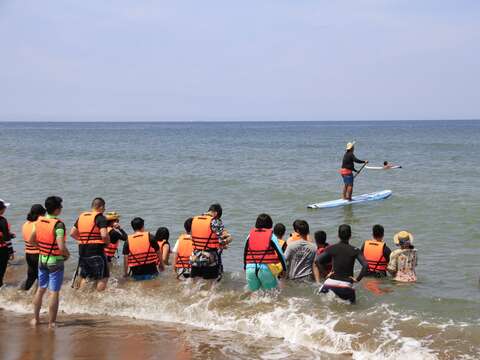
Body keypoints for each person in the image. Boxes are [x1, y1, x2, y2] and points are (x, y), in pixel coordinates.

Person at [30, 196, 70, 328]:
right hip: (55, 261)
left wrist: (41, 248)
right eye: (61, 207)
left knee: (41, 289)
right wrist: (67, 254)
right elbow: (60, 247)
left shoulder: (39, 221)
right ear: (57, 209)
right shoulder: (58, 225)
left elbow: (31, 240)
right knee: (54, 292)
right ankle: (51, 322)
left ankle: (35, 319)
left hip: (42, 258)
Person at [316, 224, 368, 304]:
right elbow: (365, 265)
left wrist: (326, 274)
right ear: (350, 236)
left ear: (338, 235)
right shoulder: (355, 250)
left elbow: (317, 261)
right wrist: (358, 279)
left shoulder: (331, 248)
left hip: (329, 284)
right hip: (345, 286)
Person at [70, 198, 110, 291]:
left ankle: (82, 295)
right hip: (96, 251)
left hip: (83, 250)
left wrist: (83, 240)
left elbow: (72, 233)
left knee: (85, 275)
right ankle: (99, 297)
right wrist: (107, 243)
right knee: (103, 277)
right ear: (101, 207)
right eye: (104, 208)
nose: (104, 210)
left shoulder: (82, 217)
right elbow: (104, 235)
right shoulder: (100, 218)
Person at [243, 214, 286, 292]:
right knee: (271, 295)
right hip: (265, 269)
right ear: (270, 223)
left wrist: (245, 267)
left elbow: (245, 253)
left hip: (250, 269)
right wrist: (284, 269)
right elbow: (280, 254)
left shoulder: (249, 236)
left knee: (254, 294)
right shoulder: (271, 236)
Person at [190, 204, 232, 281]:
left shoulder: (194, 220)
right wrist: (228, 240)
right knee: (211, 286)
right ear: (216, 213)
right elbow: (222, 238)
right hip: (209, 259)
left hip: (195, 257)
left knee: (194, 284)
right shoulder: (214, 221)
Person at [21, 204, 46, 291]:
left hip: (28, 254)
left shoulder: (25, 224)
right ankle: (39, 297)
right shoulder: (39, 224)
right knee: (42, 278)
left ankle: (23, 294)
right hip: (38, 254)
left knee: (31, 277)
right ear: (40, 214)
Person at [0, 199, 14, 288]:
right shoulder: (2, 220)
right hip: (2, 249)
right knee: (1, 270)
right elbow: (6, 238)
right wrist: (11, 251)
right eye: (4, 208)